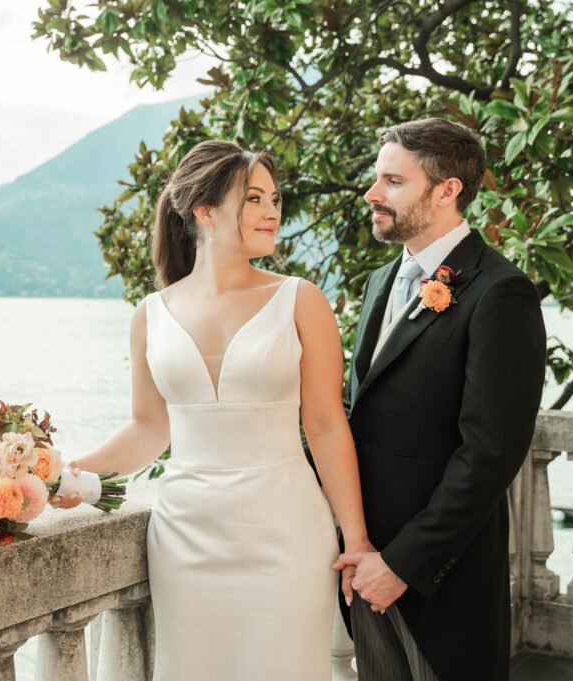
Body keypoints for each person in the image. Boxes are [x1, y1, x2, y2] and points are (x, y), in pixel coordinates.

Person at [50, 139, 372, 679]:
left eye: (274, 198)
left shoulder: (301, 299)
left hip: (287, 532)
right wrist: (64, 475)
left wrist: (356, 540)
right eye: (254, 199)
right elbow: (150, 427)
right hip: (186, 535)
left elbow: (325, 425)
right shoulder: (151, 314)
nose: (273, 212)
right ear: (204, 210)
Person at [333, 118, 546, 681]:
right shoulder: (381, 282)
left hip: (439, 579)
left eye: (393, 181)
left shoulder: (501, 291)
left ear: (447, 190)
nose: (373, 194)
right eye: (376, 178)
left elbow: (490, 453)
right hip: (362, 562)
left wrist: (402, 563)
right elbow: (360, 415)